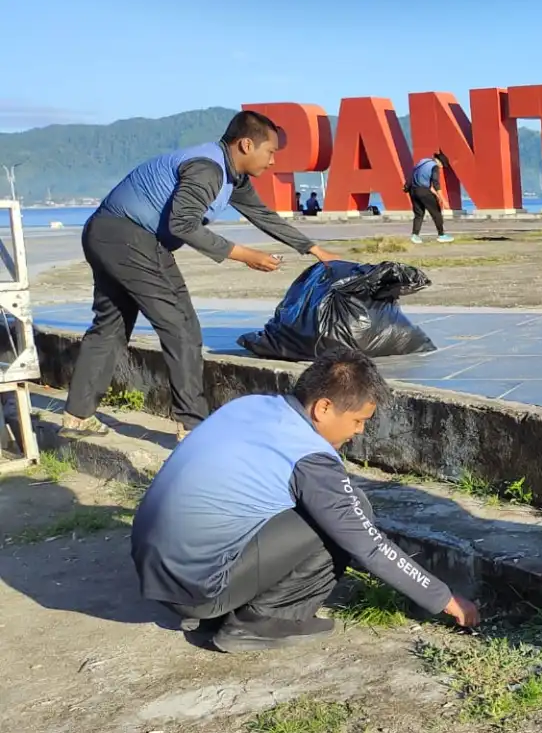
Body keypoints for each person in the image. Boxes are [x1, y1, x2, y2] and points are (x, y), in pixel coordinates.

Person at [132, 348, 482, 653]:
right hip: (198, 589)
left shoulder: (252, 405)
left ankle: (217, 610)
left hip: (155, 574)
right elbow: (368, 545)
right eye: (358, 420)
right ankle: (262, 621)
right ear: (324, 407)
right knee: (352, 509)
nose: (359, 431)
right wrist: (444, 598)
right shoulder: (309, 457)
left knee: (316, 507)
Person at [61, 110, 340, 441]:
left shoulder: (232, 176)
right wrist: (247, 256)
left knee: (112, 327)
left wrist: (314, 249)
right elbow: (183, 224)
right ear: (246, 145)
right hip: (129, 237)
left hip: (112, 233)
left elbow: (262, 215)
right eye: (270, 151)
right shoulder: (208, 169)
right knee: (180, 326)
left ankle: (76, 418)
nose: (272, 160)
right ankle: (192, 427)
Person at [407, 151, 454, 244]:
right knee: (436, 212)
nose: (441, 167)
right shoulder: (434, 166)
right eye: (442, 165)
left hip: (413, 190)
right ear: (439, 161)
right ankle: (441, 235)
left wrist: (436, 195)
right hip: (423, 192)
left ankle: (415, 236)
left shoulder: (423, 161)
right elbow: (436, 184)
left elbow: (420, 179)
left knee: (419, 214)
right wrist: (443, 200)